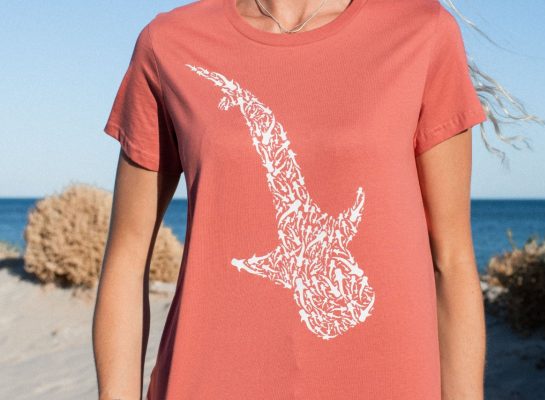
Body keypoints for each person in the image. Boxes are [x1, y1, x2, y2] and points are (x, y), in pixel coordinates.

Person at [92, 0, 488, 398]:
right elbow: (127, 254)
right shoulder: (171, 42)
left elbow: (452, 261)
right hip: (209, 381)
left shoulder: (422, 30)